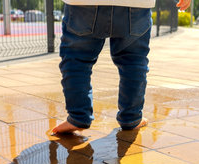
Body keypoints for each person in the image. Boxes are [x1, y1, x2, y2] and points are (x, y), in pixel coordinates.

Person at [52, 0, 191, 134]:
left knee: (76, 59)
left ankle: (78, 116)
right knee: (133, 61)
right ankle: (132, 117)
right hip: (135, 4)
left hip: (84, 4)